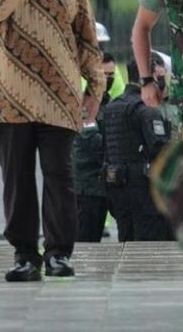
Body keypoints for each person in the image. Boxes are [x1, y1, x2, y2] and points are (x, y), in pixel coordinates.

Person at [0, 0, 105, 282]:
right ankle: (24, 254)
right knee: (16, 178)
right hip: (9, 97)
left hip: (59, 95)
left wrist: (94, 85)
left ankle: (60, 253)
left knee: (59, 177)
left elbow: (86, 35)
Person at [100, 60, 173, 241]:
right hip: (145, 193)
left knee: (126, 242)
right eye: (158, 75)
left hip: (117, 188)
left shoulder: (111, 107)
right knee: (150, 248)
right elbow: (160, 148)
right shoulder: (145, 109)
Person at [71, 52, 115, 242]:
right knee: (85, 242)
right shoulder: (84, 105)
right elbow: (90, 142)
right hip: (86, 187)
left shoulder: (108, 105)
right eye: (104, 75)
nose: (108, 79)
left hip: (104, 186)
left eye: (111, 75)